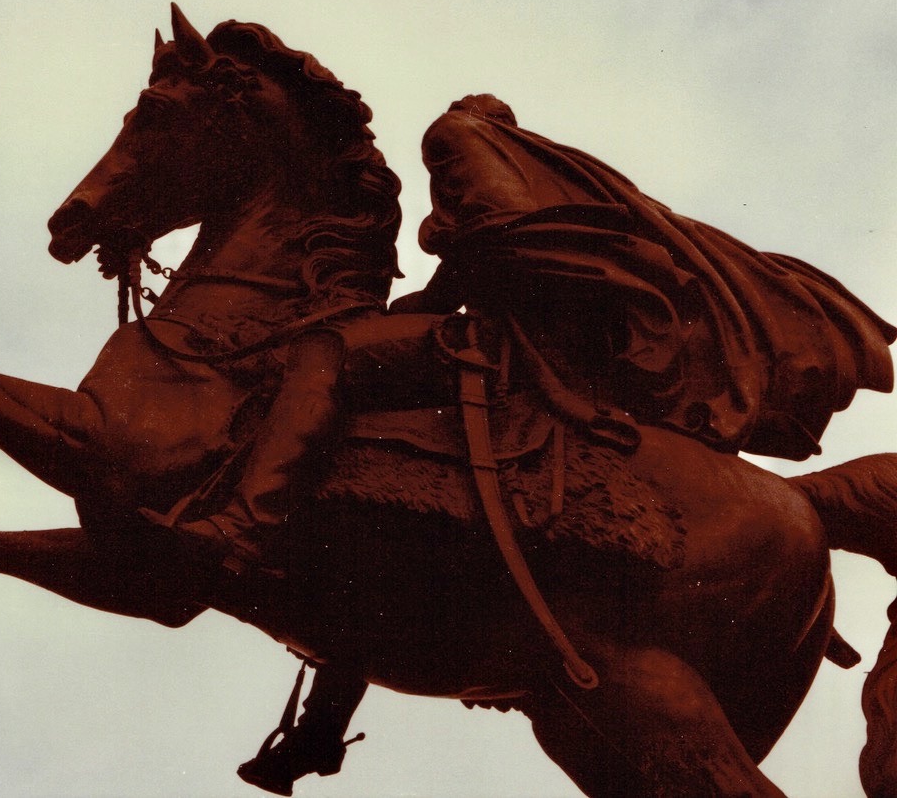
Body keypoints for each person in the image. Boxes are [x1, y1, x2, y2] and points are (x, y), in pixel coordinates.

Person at [158, 92, 896, 573]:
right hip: (542, 333)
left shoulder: (455, 135)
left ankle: (245, 528)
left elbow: (503, 239)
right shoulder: (571, 171)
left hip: (514, 344)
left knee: (327, 354)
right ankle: (323, 705)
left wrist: (435, 261)